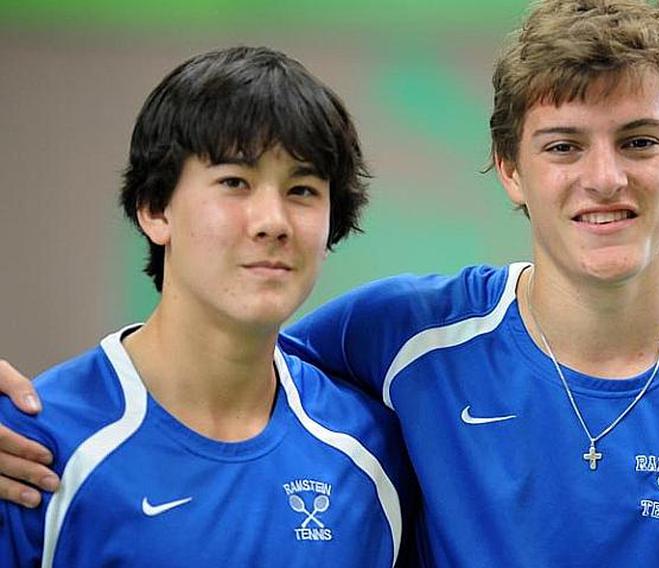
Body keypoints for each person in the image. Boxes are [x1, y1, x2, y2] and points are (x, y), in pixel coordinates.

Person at [0, 1, 659, 566]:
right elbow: (223, 355)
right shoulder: (406, 344)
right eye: (563, 145)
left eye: (637, 141)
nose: (605, 178)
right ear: (510, 170)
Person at [0, 46, 410, 567]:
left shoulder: (372, 452)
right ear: (154, 208)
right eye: (234, 182)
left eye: (302, 189)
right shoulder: (29, 447)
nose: (273, 221)